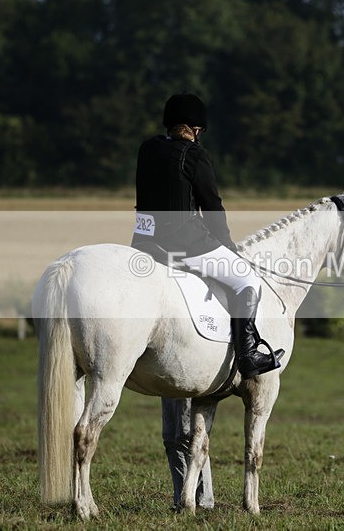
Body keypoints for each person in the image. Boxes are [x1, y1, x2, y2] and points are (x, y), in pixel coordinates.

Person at [131, 93, 284, 507]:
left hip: (143, 245)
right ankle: (249, 354)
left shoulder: (147, 149)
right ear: (194, 128)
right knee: (246, 282)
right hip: (184, 245)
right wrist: (231, 249)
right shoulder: (196, 156)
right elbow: (212, 209)